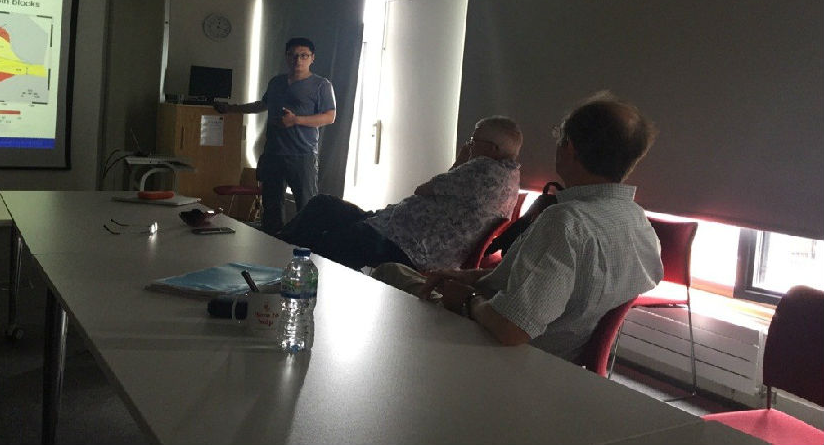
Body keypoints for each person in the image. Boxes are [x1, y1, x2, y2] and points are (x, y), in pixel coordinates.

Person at [373, 91, 663, 363]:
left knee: (388, 271)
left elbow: (512, 329)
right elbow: (550, 282)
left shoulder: (566, 223)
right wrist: (469, 276)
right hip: (558, 357)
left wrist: (468, 298)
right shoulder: (638, 222)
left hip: (503, 351)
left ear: (569, 148)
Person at [277, 116, 523, 271]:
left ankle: (278, 260)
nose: (469, 145)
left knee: (325, 239)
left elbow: (424, 189)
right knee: (325, 206)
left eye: (474, 140)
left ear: (492, 148)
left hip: (406, 245)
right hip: (398, 230)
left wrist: (461, 160)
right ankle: (278, 249)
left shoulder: (483, 169)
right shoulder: (509, 177)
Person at [215, 37, 336, 234]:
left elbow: (330, 117)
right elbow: (262, 105)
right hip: (273, 153)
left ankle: (307, 246)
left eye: (303, 56)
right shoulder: (276, 82)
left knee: (306, 205)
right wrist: (232, 109)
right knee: (271, 206)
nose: (298, 60)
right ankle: (272, 244)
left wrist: (296, 120)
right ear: (286, 57)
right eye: (293, 55)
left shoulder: (321, 85)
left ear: (312, 58)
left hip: (302, 154)